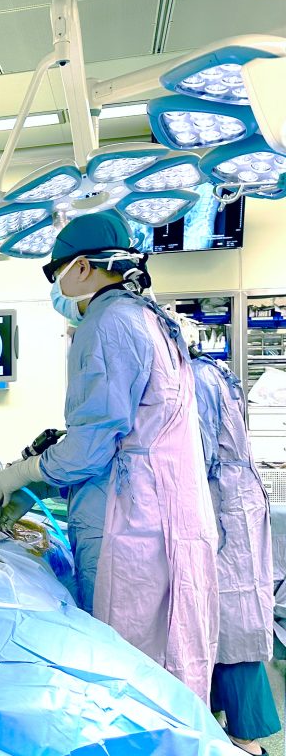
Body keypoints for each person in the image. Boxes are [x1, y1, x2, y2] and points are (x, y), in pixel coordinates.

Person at [0, 211, 220, 703]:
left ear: (83, 267)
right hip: (168, 516)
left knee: (125, 669)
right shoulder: (151, 318)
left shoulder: (105, 324)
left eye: (54, 273)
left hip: (132, 528)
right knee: (169, 663)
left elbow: (90, 449)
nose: (56, 288)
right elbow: (125, 430)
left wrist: (22, 472)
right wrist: (41, 475)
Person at [177, 315, 280, 754]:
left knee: (231, 626)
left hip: (222, 510)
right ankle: (232, 728)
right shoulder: (210, 371)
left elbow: (195, 455)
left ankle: (245, 739)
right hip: (233, 504)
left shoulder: (197, 380)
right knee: (229, 622)